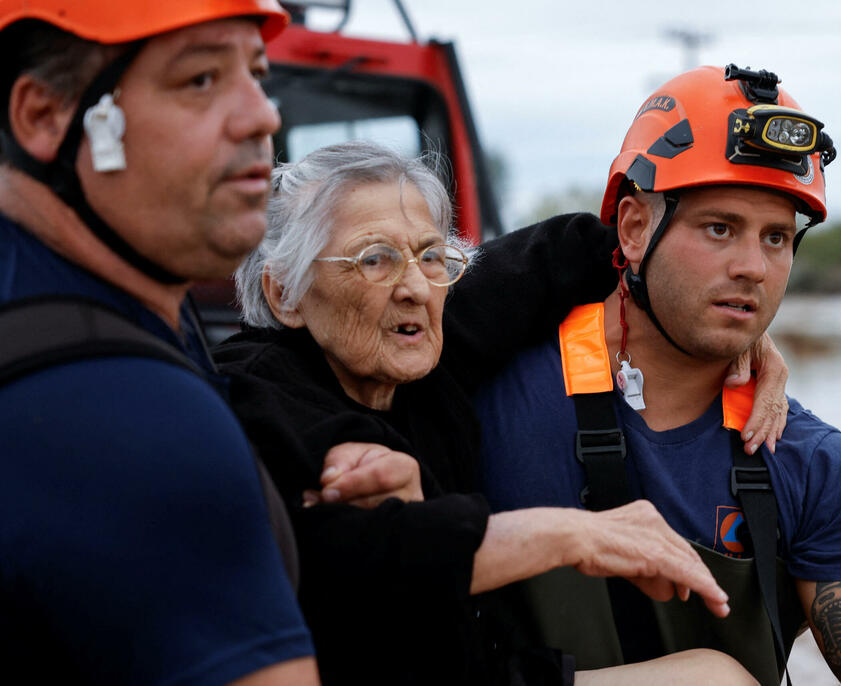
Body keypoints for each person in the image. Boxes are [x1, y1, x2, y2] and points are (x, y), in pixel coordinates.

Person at [213, 140, 795, 685]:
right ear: (284, 294)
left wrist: (729, 322)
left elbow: (569, 253)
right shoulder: (250, 390)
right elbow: (352, 555)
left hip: (493, 666)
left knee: (717, 675)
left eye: (431, 255)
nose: (414, 285)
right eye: (375, 260)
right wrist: (577, 533)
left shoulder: (423, 344)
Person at [473, 65, 841, 685]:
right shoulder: (486, 391)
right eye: (719, 228)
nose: (753, 266)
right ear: (635, 227)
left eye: (776, 237)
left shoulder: (810, 461)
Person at [0, 2, 320, 683]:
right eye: (200, 80)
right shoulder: (126, 415)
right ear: (43, 116)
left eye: (256, 74)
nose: (263, 115)